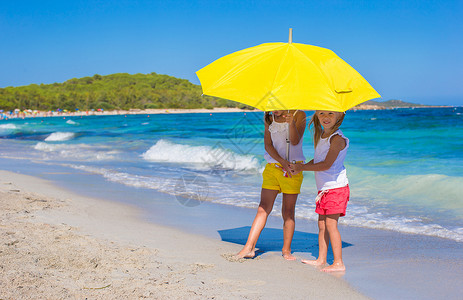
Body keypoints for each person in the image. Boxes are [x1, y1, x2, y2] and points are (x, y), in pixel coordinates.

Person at [236, 110, 306, 260]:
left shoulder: (299, 114)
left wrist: (291, 123)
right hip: (273, 168)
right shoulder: (269, 116)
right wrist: (281, 162)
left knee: (288, 212)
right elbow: (268, 145)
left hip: (293, 170)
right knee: (263, 208)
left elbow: (295, 141)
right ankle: (249, 247)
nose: (274, 109)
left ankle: (286, 250)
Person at [289, 110, 349, 272]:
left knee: (330, 224)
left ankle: (338, 262)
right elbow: (318, 160)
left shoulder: (337, 139)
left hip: (336, 188)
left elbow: (326, 165)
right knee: (322, 224)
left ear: (340, 116)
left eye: (330, 113)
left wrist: (302, 167)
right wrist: (300, 168)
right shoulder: (323, 135)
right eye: (321, 113)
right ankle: (322, 259)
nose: (325, 117)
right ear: (316, 115)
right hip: (324, 189)